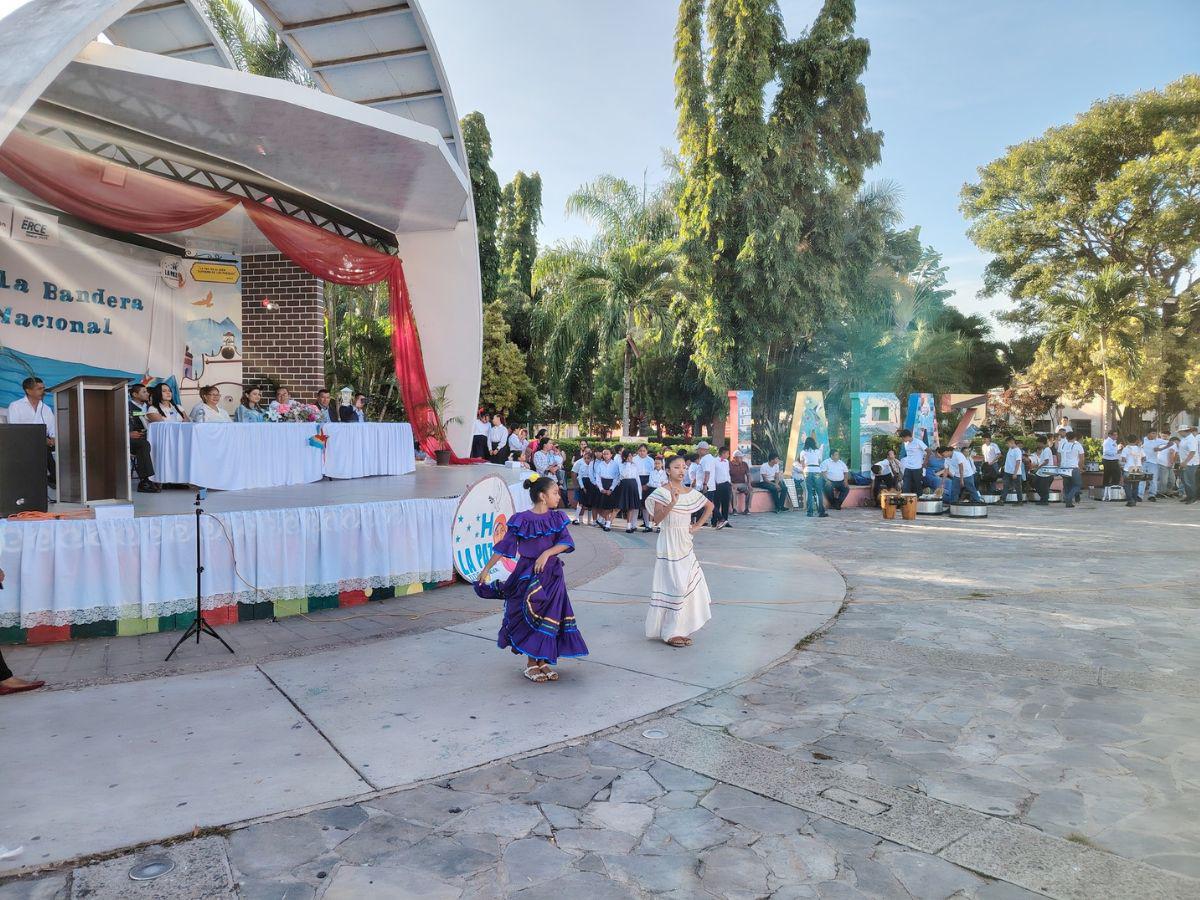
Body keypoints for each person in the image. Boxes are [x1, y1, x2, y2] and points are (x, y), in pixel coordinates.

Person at [474, 474, 588, 683]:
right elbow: (503, 547)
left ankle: (542, 661)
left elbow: (565, 542)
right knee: (530, 615)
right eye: (555, 492)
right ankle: (530, 663)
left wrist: (546, 553)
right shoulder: (521, 519)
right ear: (542, 496)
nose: (558, 496)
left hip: (552, 576)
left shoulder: (557, 517)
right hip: (527, 574)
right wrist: (486, 569)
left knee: (550, 617)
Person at [644, 454, 714, 648]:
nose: (681, 470)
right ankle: (669, 632)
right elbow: (656, 520)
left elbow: (710, 506)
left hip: (685, 542)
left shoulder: (690, 492)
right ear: (668, 470)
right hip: (668, 543)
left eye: (684, 467)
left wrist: (698, 526)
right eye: (676, 467)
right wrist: (672, 503)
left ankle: (679, 629)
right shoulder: (661, 492)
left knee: (690, 585)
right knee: (675, 586)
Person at [6, 376, 56, 486]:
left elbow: (53, 432)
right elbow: (16, 431)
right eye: (39, 389)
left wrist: (52, 440)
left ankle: (54, 479)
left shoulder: (46, 409)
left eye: (43, 388)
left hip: (43, 447)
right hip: (22, 446)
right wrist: (41, 439)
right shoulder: (15, 406)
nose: (43, 391)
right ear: (28, 390)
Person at [126, 383, 161, 493]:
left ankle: (167, 479)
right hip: (132, 439)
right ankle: (145, 481)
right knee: (143, 445)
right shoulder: (126, 406)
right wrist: (127, 433)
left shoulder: (151, 407)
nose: (147, 394)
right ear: (135, 394)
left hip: (151, 436)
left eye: (147, 392)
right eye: (144, 392)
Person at [615, 449, 645, 533]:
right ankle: (608, 523)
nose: (630, 458)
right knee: (618, 507)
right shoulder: (621, 465)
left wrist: (639, 493)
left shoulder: (635, 466)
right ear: (624, 457)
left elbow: (637, 479)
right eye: (628, 456)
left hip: (633, 486)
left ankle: (629, 526)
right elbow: (624, 474)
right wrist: (628, 463)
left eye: (631, 456)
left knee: (631, 507)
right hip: (624, 486)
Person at [592, 447, 620, 530]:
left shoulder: (615, 464)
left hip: (612, 485)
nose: (605, 455)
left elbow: (616, 477)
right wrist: (601, 488)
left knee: (610, 506)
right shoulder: (600, 464)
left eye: (607, 454)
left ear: (611, 455)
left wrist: (611, 489)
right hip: (602, 485)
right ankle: (606, 522)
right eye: (604, 454)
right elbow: (598, 477)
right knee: (602, 506)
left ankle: (607, 523)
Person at [801, 437, 828, 517]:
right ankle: (821, 512)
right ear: (814, 443)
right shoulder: (817, 451)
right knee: (819, 492)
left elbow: (802, 464)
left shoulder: (803, 452)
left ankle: (809, 512)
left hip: (807, 471)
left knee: (809, 492)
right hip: (816, 470)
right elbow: (819, 461)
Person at [1058, 430, 1086, 508]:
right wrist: (1080, 468)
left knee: (1067, 485)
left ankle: (1068, 501)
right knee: (1077, 485)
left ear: (1066, 437)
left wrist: (1060, 465)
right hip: (1073, 467)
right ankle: (1069, 498)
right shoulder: (1078, 445)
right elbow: (1082, 458)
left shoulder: (1062, 444)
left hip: (1064, 467)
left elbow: (1059, 456)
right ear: (1075, 437)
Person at [898, 429, 928, 496]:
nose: (902, 439)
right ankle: (905, 502)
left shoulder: (918, 442)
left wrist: (925, 462)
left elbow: (929, 451)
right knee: (905, 486)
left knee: (917, 486)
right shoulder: (906, 443)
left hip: (917, 468)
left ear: (907, 436)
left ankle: (919, 501)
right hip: (908, 467)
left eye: (903, 438)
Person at [1118, 434, 1144, 507]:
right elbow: (1144, 458)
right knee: (1136, 486)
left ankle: (1130, 500)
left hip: (1128, 469)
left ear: (1127, 441)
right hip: (1138, 469)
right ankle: (1135, 500)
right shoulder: (1140, 449)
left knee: (1127, 485)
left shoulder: (1126, 449)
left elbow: (1123, 459)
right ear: (1136, 441)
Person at [571, 448, 595, 525]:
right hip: (583, 483)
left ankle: (589, 521)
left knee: (590, 502)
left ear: (591, 458)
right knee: (581, 501)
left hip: (591, 483)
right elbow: (578, 476)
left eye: (588, 458)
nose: (586, 460)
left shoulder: (593, 465)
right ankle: (576, 518)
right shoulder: (580, 464)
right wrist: (581, 486)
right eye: (585, 458)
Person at [1030, 435, 1054, 505]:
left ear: (1042, 443)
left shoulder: (1046, 450)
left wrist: (1037, 468)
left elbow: (1046, 461)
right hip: (1043, 472)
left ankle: (1044, 500)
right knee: (1035, 483)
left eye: (1038, 443)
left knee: (1042, 486)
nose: (1037, 445)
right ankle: (1043, 499)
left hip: (1046, 472)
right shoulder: (1045, 450)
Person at [1140, 431, 1165, 501]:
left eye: (1155, 434)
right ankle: (1139, 495)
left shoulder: (1158, 441)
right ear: (1148, 433)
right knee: (1142, 478)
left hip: (1153, 462)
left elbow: (1171, 443)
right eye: (1153, 433)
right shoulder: (1143, 440)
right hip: (1143, 462)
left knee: (1153, 479)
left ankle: (1152, 495)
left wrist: (1160, 449)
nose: (1154, 435)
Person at [713, 446, 733, 528]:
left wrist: (729, 482)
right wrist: (714, 483)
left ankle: (725, 520)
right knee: (716, 504)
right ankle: (714, 521)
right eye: (727, 453)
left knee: (726, 503)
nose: (728, 455)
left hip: (726, 484)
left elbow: (727, 473)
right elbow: (713, 473)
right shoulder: (714, 461)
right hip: (718, 484)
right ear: (723, 453)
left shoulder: (726, 462)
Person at [1177, 425, 1198, 503]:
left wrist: (1185, 462)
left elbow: (1192, 452)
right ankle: (1188, 496)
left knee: (1189, 481)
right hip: (1184, 463)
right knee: (1184, 480)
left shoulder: (1191, 439)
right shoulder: (1184, 439)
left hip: (1190, 463)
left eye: (1180, 432)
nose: (1179, 433)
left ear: (1184, 431)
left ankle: (1193, 497)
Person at [1002, 436, 1026, 504]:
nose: (1007, 445)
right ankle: (1002, 499)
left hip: (1016, 473)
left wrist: (1015, 473)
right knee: (1005, 486)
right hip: (1007, 472)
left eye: (1007, 443)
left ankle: (1020, 501)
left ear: (1011, 442)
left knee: (1018, 487)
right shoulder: (1010, 449)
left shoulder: (1017, 451)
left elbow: (1018, 462)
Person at [647, 455, 667, 533]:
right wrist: (658, 484)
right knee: (651, 508)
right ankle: (649, 525)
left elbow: (665, 483)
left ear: (662, 464)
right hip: (653, 491)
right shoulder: (652, 472)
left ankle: (659, 525)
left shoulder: (665, 473)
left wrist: (658, 484)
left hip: (661, 492)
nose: (657, 465)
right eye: (655, 463)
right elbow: (650, 483)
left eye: (658, 463)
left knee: (659, 509)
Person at [729, 450, 752, 515]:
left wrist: (749, 484)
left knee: (750, 490)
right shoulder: (729, 464)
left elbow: (748, 475)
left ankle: (747, 509)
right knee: (733, 491)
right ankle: (734, 509)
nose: (742, 459)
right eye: (740, 457)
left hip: (742, 484)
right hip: (733, 484)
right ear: (735, 458)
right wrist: (732, 484)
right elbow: (726, 476)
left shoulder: (744, 464)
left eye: (742, 457)